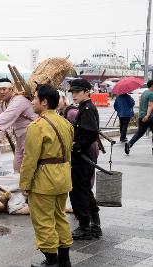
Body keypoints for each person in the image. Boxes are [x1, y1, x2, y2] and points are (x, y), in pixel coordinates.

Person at [20, 84, 73, 267]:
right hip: (63, 178)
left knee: (43, 221)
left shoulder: (37, 126)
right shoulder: (65, 123)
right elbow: (68, 153)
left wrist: (25, 184)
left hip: (44, 181)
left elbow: (30, 160)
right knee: (60, 217)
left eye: (34, 98)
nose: (32, 101)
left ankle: (51, 261)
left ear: (44, 102)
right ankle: (64, 260)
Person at [0, 78, 37, 172]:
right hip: (21, 136)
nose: (1, 92)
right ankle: (23, 184)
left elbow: (5, 118)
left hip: (33, 134)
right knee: (18, 165)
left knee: (27, 165)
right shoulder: (4, 103)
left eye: (4, 89)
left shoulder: (19, 100)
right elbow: (0, 118)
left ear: (11, 89)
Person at [67, 78, 102, 240]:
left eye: (77, 92)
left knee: (78, 192)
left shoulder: (87, 109)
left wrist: (77, 146)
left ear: (87, 92)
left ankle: (84, 227)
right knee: (85, 190)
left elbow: (91, 132)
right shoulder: (84, 107)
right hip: (85, 156)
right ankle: (95, 225)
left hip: (82, 158)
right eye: (72, 92)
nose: (74, 95)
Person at [125, 80, 153, 154]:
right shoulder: (151, 94)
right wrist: (147, 115)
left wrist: (143, 115)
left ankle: (129, 144)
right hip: (149, 117)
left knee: (140, 133)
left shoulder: (144, 93)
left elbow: (140, 103)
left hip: (141, 116)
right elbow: (150, 105)